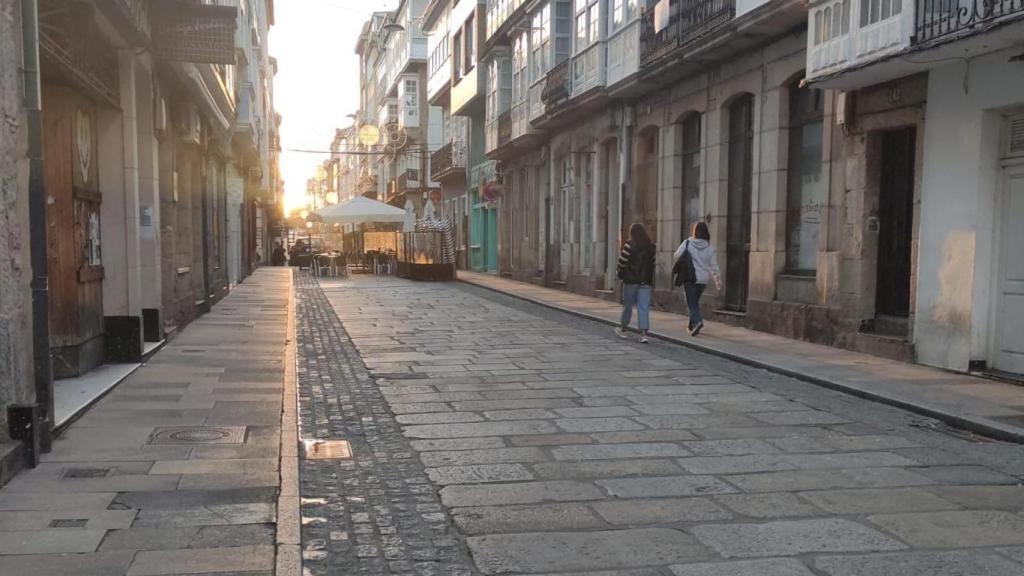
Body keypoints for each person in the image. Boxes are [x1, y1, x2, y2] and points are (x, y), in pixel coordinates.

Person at [673, 221, 722, 336]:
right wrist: (717, 280)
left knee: (691, 303)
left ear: (694, 231)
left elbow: (676, 255)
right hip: (703, 280)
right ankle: (691, 326)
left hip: (690, 277)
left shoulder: (688, 243)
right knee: (694, 302)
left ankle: (698, 321)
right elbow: (713, 265)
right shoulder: (709, 247)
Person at [616, 223, 656, 343]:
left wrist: (620, 273)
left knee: (627, 305)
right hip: (646, 282)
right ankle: (643, 334)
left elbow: (622, 262)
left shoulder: (629, 245)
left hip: (631, 280)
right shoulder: (651, 247)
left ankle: (623, 329)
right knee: (643, 307)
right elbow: (652, 264)